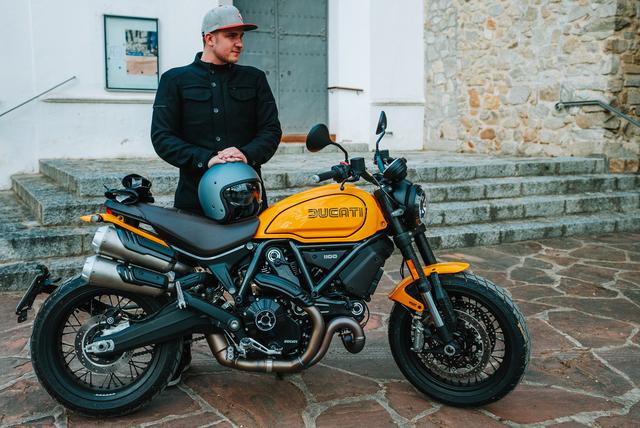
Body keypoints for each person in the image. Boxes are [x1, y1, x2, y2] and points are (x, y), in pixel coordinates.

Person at [150, 5, 282, 385]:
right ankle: (178, 357)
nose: (239, 43)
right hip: (193, 202)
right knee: (182, 280)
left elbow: (271, 131)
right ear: (210, 38)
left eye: (241, 36)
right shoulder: (175, 80)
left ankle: (266, 343)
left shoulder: (254, 79)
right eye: (231, 36)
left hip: (247, 202)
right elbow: (162, 136)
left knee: (256, 273)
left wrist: (246, 154)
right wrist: (205, 159)